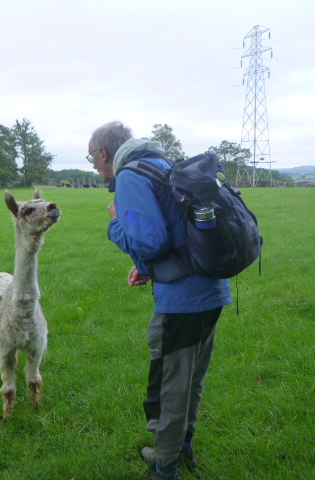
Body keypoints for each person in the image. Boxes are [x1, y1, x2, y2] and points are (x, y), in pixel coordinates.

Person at [87, 121, 232, 479]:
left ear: (104, 153)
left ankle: (165, 468)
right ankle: (182, 447)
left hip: (183, 300)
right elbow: (174, 231)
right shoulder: (162, 165)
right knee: (191, 378)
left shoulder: (132, 176)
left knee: (170, 385)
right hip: (211, 289)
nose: (92, 165)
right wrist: (147, 268)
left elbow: (150, 242)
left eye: (91, 158)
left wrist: (116, 224)